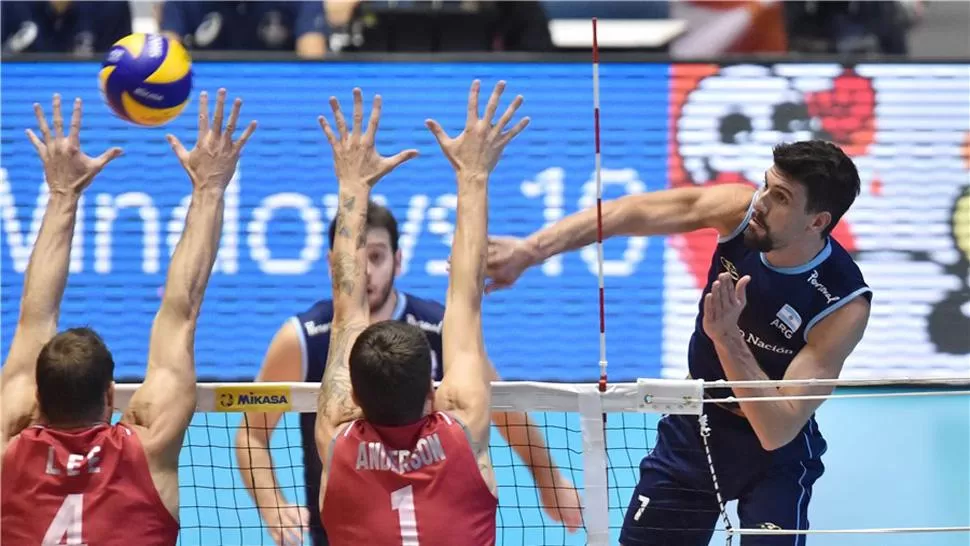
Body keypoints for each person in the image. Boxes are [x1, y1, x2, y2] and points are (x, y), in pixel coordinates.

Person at [486, 140, 873, 545]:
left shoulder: (841, 305)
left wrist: (727, 339)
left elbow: (777, 428)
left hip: (775, 457)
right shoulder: (740, 213)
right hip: (696, 426)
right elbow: (630, 213)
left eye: (781, 198)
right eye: (765, 186)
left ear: (817, 222)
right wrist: (531, 251)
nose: (760, 202)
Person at [235, 204, 582, 544]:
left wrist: (548, 478)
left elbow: (504, 409)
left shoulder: (436, 328)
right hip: (344, 528)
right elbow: (252, 433)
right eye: (360, 259)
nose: (368, 271)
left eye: (377, 256)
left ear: (398, 260)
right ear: (333, 265)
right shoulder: (303, 338)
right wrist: (272, 503)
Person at [0, 89, 256, 545]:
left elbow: (32, 322)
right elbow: (181, 314)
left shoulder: (8, 455)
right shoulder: (148, 449)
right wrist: (209, 188)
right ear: (111, 393)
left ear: (35, 395)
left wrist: (62, 193)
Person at [309, 81, 527, 544]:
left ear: (357, 401)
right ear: (433, 391)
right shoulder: (463, 429)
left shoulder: (337, 439)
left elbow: (348, 309)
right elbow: (465, 299)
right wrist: (474, 175)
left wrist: (353, 185)